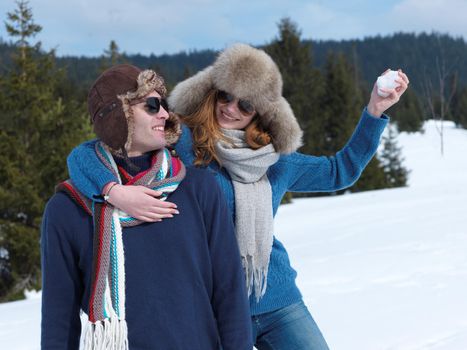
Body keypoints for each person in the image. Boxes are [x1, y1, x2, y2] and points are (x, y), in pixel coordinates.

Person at [67, 44, 409, 349]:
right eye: (225, 96)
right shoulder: (186, 143)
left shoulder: (277, 161)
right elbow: (87, 154)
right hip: (214, 308)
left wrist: (375, 110)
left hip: (277, 299)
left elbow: (341, 170)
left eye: (245, 104)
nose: (231, 109)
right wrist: (114, 191)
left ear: (260, 111)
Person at [41, 64, 253, 350]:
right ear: (119, 115)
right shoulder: (68, 209)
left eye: (163, 104)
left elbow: (229, 289)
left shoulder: (198, 188)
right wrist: (112, 194)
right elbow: (59, 316)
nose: (165, 114)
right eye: (152, 105)